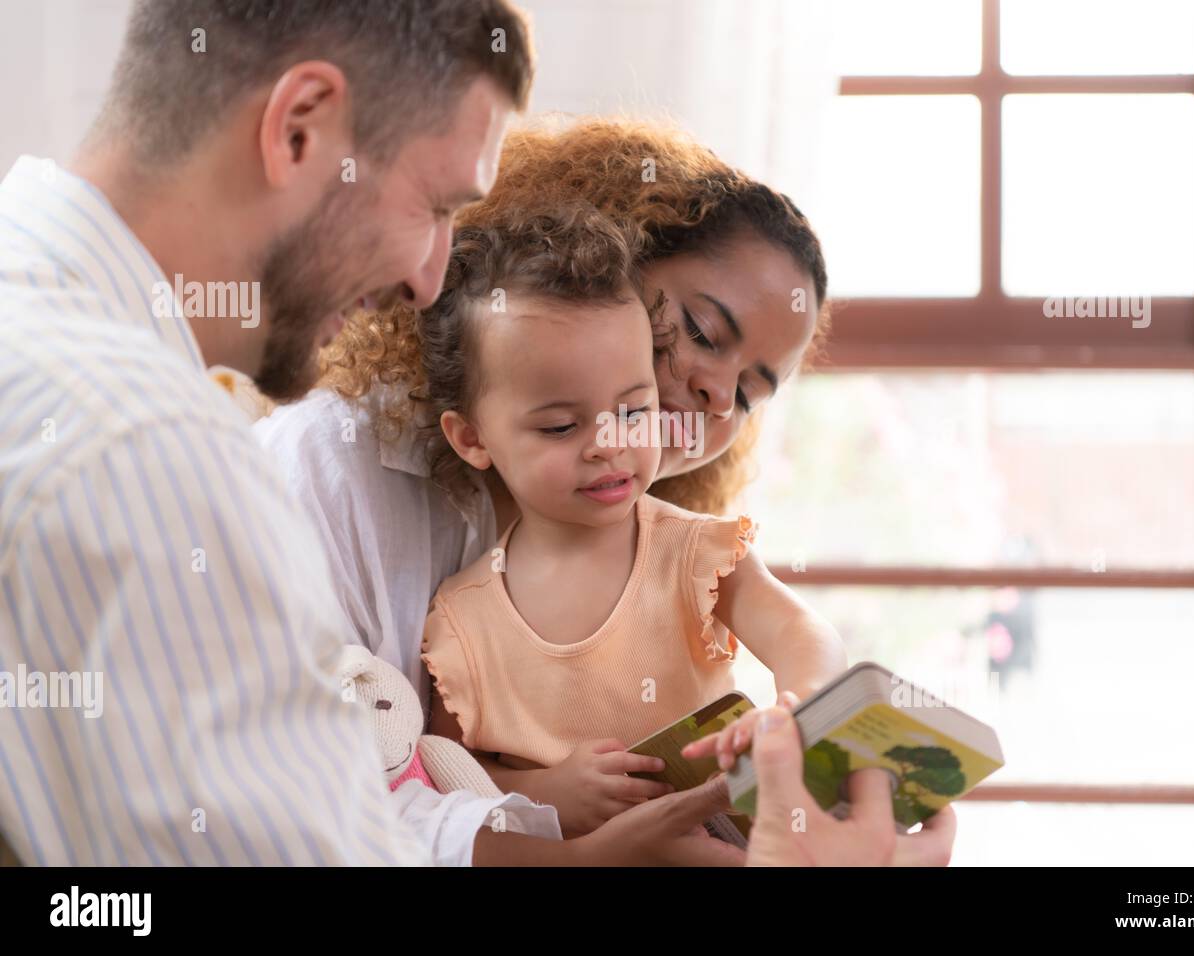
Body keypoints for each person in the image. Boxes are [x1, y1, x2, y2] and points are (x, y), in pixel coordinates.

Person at [0, 0, 953, 868]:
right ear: (300, 129)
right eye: (438, 206)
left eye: (750, 392)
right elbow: (345, 833)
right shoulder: (158, 448)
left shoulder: (93, 385)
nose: (430, 279)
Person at [410, 202, 848, 836]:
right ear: (472, 437)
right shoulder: (458, 622)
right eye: (562, 425)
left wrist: (797, 708)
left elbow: (803, 633)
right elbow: (447, 774)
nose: (608, 442)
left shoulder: (692, 553)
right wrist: (545, 792)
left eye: (637, 412)